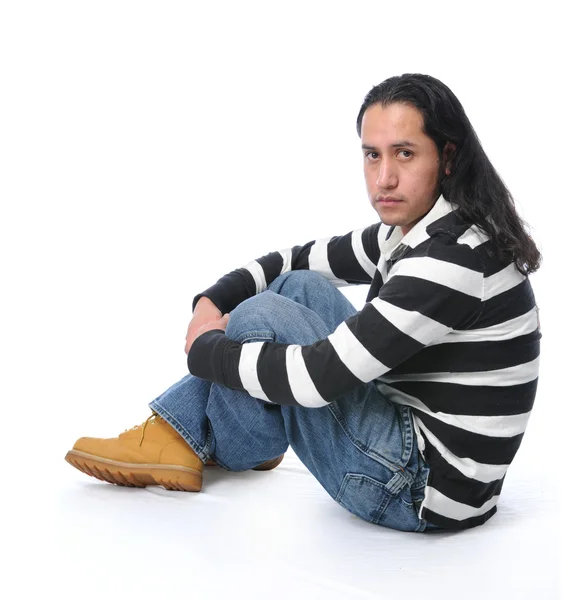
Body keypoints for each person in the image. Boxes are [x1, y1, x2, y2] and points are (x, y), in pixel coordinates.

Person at [65, 73, 542, 532]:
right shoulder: (427, 230)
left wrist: (205, 349)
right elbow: (297, 259)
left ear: (448, 157)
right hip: (434, 465)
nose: (385, 178)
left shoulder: (448, 262)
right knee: (297, 285)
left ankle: (190, 437)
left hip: (416, 490)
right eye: (372, 156)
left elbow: (318, 379)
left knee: (261, 314)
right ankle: (208, 432)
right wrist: (212, 300)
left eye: (405, 154)